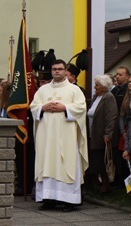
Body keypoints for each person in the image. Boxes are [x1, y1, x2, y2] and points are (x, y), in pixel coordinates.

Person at [31, 59, 88, 212]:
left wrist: (65, 108)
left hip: (67, 136)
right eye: (54, 69)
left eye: (60, 69)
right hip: (47, 136)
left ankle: (69, 201)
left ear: (65, 71)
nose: (57, 71)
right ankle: (48, 200)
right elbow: (33, 106)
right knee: (47, 162)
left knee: (66, 164)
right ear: (51, 71)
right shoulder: (43, 90)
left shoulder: (74, 90)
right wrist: (43, 107)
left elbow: (81, 108)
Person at [86, 75, 118, 193]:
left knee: (102, 160)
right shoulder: (96, 97)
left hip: (102, 134)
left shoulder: (108, 97)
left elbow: (111, 116)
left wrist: (108, 133)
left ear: (104, 87)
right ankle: (96, 184)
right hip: (92, 133)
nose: (95, 87)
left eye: (97, 85)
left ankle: (106, 185)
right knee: (95, 160)